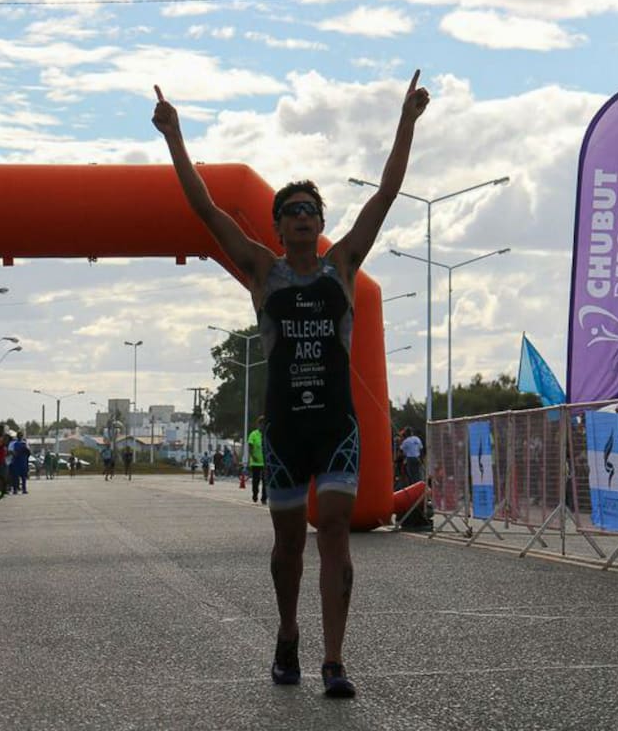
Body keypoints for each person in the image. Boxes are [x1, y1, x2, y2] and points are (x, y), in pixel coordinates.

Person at [154, 68, 429, 698]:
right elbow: (204, 208)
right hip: (283, 430)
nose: (303, 218)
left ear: (321, 223)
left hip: (335, 426)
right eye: (292, 212)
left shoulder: (341, 266)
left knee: (333, 529)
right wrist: (175, 136)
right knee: (287, 548)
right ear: (278, 227)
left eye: (312, 211)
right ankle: (286, 634)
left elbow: (385, 196)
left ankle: (334, 659)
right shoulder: (261, 270)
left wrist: (406, 123)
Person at [247, 416, 267, 504]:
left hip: (265, 462)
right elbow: (250, 446)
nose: (263, 426)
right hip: (255, 462)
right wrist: (252, 455)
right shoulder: (253, 434)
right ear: (258, 424)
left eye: (264, 424)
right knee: (256, 481)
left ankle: (264, 498)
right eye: (261, 424)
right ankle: (255, 494)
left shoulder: (267, 435)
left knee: (265, 481)